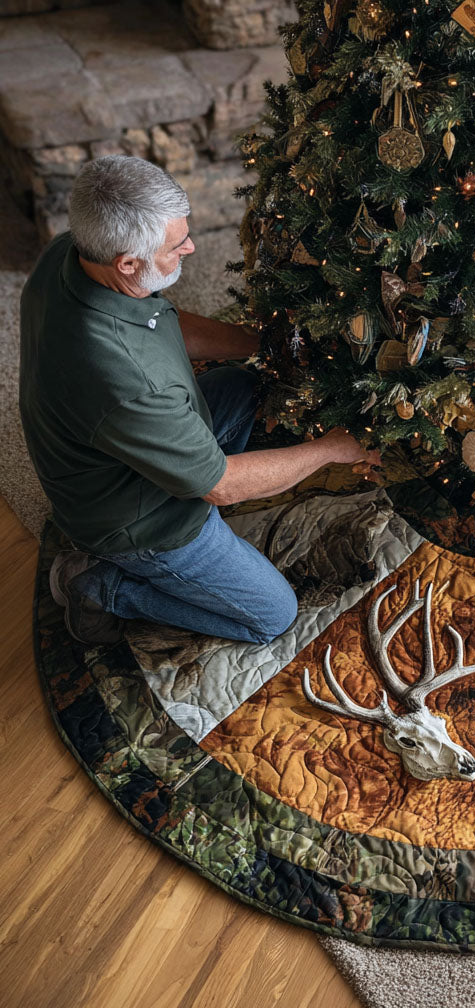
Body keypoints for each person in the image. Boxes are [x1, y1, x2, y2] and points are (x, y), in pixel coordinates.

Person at [19, 155, 379, 646]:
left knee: (240, 384)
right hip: (139, 521)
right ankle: (100, 585)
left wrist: (266, 347)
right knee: (273, 616)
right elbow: (223, 487)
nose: (191, 246)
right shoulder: (126, 379)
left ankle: (183, 472)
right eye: (177, 244)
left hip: (113, 448)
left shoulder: (70, 254)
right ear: (127, 262)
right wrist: (335, 448)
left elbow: (164, 318)